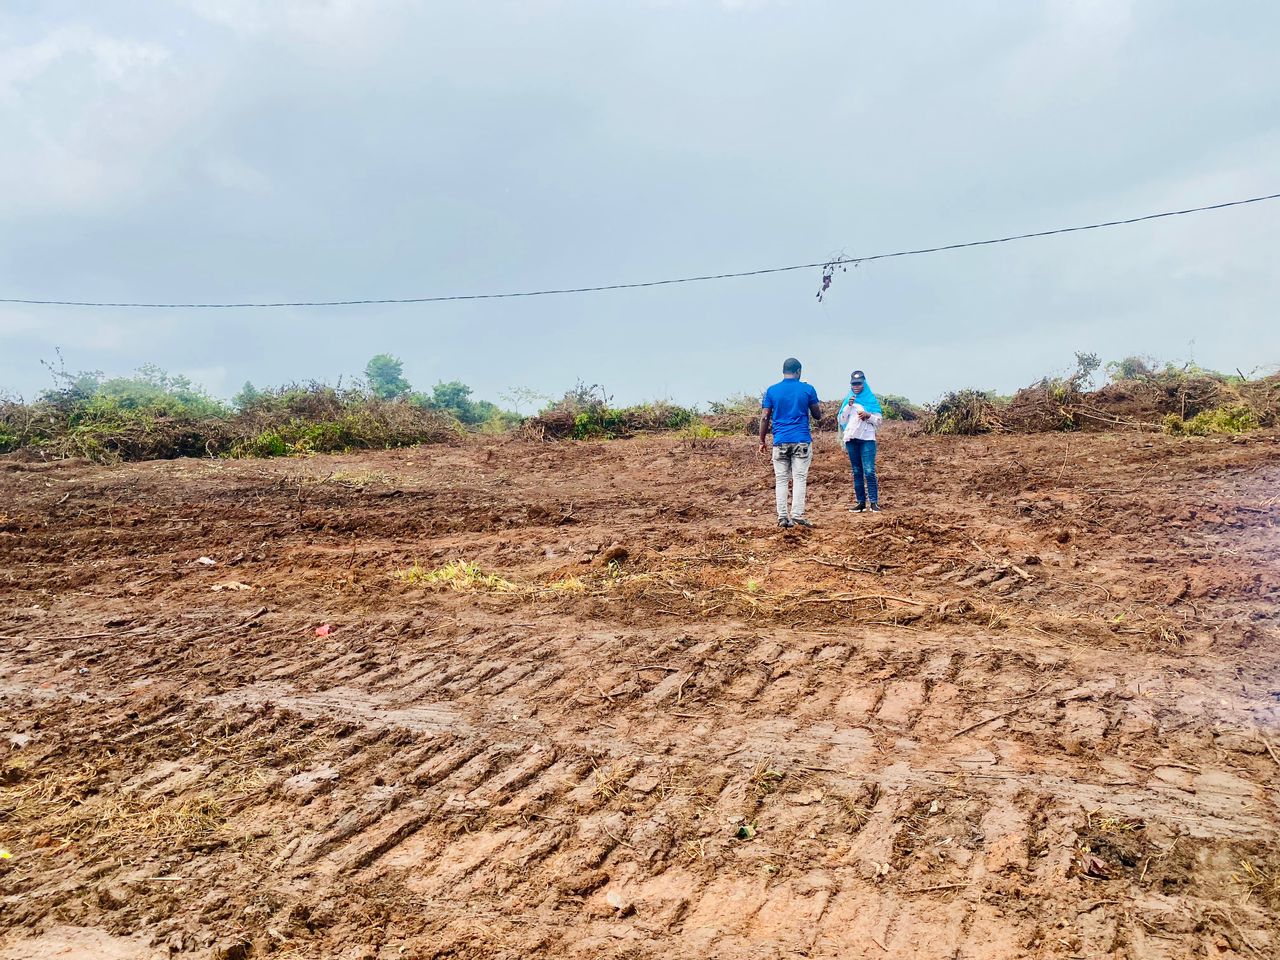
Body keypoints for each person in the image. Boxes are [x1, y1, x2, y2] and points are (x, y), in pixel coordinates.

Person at [759, 357, 821, 528]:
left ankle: (782, 517)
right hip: (801, 440)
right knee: (799, 478)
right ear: (798, 371)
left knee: (781, 479)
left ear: (783, 371)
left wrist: (762, 440)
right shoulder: (807, 389)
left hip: (780, 441)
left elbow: (764, 417)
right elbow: (817, 415)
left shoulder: (772, 391)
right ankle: (797, 515)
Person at [837, 369, 884, 512]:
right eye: (853, 384)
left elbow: (879, 421)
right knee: (857, 471)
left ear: (864, 383)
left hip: (867, 439)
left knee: (869, 471)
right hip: (852, 439)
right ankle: (861, 502)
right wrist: (848, 406)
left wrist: (868, 416)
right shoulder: (848, 401)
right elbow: (842, 420)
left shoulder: (871, 400)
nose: (856, 386)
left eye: (858, 383)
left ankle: (874, 502)